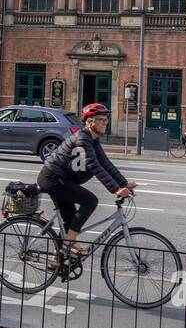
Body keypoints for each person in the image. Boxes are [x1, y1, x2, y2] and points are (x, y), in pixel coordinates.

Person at [37, 102, 137, 258]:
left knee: (71, 222)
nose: (105, 123)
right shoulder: (83, 139)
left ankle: (57, 258)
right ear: (90, 122)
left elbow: (105, 163)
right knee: (90, 201)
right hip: (52, 178)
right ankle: (68, 244)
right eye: (100, 120)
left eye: (106, 120)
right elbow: (94, 165)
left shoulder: (93, 139)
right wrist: (115, 189)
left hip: (63, 180)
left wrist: (123, 183)